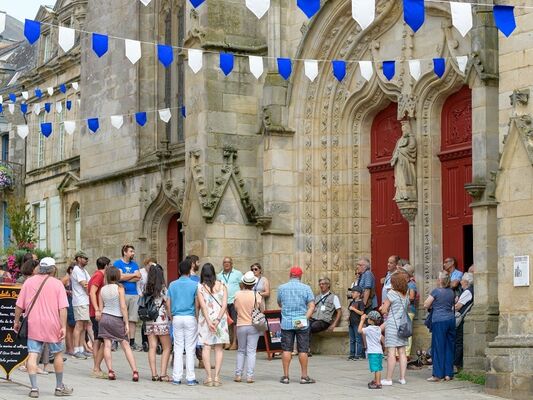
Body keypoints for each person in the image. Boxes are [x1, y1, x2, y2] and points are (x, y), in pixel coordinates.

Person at [14, 257, 73, 398]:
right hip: (53, 323)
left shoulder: (29, 282)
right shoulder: (58, 284)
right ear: (53, 269)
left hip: (34, 323)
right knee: (58, 354)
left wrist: (16, 321)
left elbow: (19, 306)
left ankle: (34, 388)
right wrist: (63, 326)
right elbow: (63, 308)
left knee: (33, 354)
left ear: (40, 267)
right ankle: (59, 387)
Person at [96, 266, 139, 381]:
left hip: (105, 317)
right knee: (125, 345)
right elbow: (123, 307)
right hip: (117, 318)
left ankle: (110, 370)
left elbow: (101, 307)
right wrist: (126, 323)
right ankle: (134, 371)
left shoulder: (102, 290)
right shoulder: (120, 288)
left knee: (107, 345)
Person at [277, 266, 316, 384]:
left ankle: (285, 376)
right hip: (301, 322)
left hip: (287, 322)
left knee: (286, 349)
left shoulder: (281, 288)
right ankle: (304, 377)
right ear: (300, 276)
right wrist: (305, 318)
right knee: (303, 349)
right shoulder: (306, 288)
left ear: (290, 275)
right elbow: (312, 306)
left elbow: (279, 303)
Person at [197, 262, 229, 386]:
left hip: (206, 320)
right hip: (220, 320)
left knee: (206, 347)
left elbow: (203, 307)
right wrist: (217, 320)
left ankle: (209, 377)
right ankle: (217, 377)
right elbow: (225, 304)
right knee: (219, 348)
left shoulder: (200, 287)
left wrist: (209, 322)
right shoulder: (222, 285)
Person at [167, 260, 199, 386]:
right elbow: (196, 304)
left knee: (178, 348)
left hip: (177, 317)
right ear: (190, 270)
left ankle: (176, 377)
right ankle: (190, 378)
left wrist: (171, 316)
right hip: (190, 317)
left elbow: (168, 303)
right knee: (190, 348)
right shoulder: (194, 284)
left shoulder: (172, 285)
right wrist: (196, 317)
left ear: (179, 271)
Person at [423, 271, 456, 382]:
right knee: (449, 347)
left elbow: (426, 304)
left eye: (438, 278)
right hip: (451, 319)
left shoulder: (436, 291)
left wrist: (434, 305)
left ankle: (437, 374)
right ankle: (448, 374)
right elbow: (453, 303)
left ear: (440, 280)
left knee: (438, 347)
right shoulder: (451, 292)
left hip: (439, 320)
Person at [233, 271, 264, 383]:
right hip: (253, 324)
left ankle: (238, 374)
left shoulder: (237, 294)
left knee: (241, 350)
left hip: (241, 324)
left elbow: (236, 308)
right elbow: (262, 309)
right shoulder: (257, 295)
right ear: (253, 284)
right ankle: (250, 376)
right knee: (251, 351)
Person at [380, 272, 410, 386]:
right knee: (402, 352)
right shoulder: (406, 294)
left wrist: (383, 308)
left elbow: (384, 310)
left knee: (391, 352)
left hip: (392, 324)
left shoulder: (392, 293)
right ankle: (402, 378)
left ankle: (388, 379)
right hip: (403, 325)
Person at [143, 264, 171, 382]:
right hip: (161, 320)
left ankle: (154, 374)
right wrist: (171, 316)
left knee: (152, 347)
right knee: (167, 347)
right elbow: (168, 305)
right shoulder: (163, 288)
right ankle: (163, 374)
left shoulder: (147, 287)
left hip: (149, 321)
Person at [113, 245, 142, 351]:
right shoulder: (117, 264)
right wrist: (132, 275)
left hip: (134, 294)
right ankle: (116, 340)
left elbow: (138, 277)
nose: (133, 253)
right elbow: (118, 277)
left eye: (133, 251)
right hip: (122, 294)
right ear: (125, 252)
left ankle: (132, 341)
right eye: (131, 251)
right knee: (120, 318)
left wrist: (125, 277)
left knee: (132, 319)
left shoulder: (135, 264)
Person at [88, 257, 110, 379]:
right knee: (102, 339)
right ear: (106, 266)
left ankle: (96, 367)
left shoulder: (95, 274)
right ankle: (96, 367)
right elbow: (92, 292)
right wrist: (97, 309)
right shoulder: (99, 276)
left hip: (94, 311)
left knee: (98, 339)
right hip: (97, 312)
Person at [308, 277, 342, 355]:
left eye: (323, 284)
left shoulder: (334, 297)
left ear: (328, 285)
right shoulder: (317, 297)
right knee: (304, 325)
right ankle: (303, 349)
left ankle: (306, 349)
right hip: (314, 319)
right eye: (320, 284)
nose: (321, 286)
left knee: (311, 327)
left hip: (324, 321)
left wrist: (334, 324)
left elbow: (339, 312)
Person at [217, 257, 243, 350]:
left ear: (232, 264)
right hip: (224, 302)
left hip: (234, 301)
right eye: (224, 262)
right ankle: (227, 341)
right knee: (226, 323)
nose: (226, 264)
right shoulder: (219, 275)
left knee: (235, 322)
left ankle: (234, 343)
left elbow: (241, 286)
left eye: (228, 262)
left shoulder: (238, 274)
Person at [70, 251, 92, 360]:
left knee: (84, 326)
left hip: (84, 300)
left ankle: (82, 349)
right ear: (79, 258)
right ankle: (76, 350)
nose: (87, 260)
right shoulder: (77, 270)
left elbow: (90, 282)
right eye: (85, 258)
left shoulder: (84, 270)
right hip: (80, 301)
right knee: (79, 325)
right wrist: (91, 293)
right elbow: (85, 284)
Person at [390, 120, 417, 201]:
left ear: (408, 129)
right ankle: (400, 194)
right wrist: (395, 157)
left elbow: (412, 148)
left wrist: (401, 151)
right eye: (402, 130)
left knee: (404, 178)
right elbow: (395, 150)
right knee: (399, 178)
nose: (403, 131)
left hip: (406, 162)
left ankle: (407, 194)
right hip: (399, 163)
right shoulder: (400, 140)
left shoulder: (411, 138)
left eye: (405, 130)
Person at [359, 311, 384, 390]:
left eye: (368, 318)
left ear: (371, 320)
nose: (367, 319)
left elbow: (359, 331)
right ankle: (376, 380)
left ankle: (378, 383)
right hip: (379, 352)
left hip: (373, 352)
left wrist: (362, 320)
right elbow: (382, 339)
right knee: (378, 368)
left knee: (376, 368)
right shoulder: (378, 329)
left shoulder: (369, 329)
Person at [454, 272, 474, 371]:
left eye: (462, 280)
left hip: (461, 319)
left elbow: (458, 306)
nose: (460, 281)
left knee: (458, 341)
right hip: (463, 318)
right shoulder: (467, 291)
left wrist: (448, 309)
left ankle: (456, 364)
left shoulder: (467, 292)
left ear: (466, 281)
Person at [401, 264, 418, 359]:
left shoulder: (411, 284)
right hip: (404, 309)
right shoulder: (406, 283)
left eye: (403, 272)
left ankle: (407, 354)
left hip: (409, 309)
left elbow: (411, 297)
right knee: (403, 330)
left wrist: (401, 298)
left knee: (407, 332)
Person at [347, 286, 365, 360]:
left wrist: (353, 309)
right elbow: (349, 310)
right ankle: (352, 353)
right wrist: (348, 316)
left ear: (358, 294)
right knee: (352, 339)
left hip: (357, 322)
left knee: (358, 339)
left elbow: (361, 313)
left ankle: (358, 354)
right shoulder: (352, 302)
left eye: (353, 292)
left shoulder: (361, 303)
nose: (352, 294)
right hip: (351, 322)